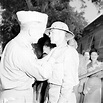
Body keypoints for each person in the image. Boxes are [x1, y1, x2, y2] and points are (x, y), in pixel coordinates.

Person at [0, 11, 55, 103]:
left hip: (16, 95)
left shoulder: (16, 44)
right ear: (31, 31)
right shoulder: (20, 50)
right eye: (41, 32)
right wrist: (52, 60)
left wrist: (48, 57)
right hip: (17, 98)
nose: (42, 35)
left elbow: (32, 64)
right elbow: (43, 74)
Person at [46, 21, 79, 103]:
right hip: (52, 91)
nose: (50, 35)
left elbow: (68, 81)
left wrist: (62, 100)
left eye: (52, 33)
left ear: (61, 34)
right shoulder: (53, 51)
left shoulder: (69, 52)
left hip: (63, 95)